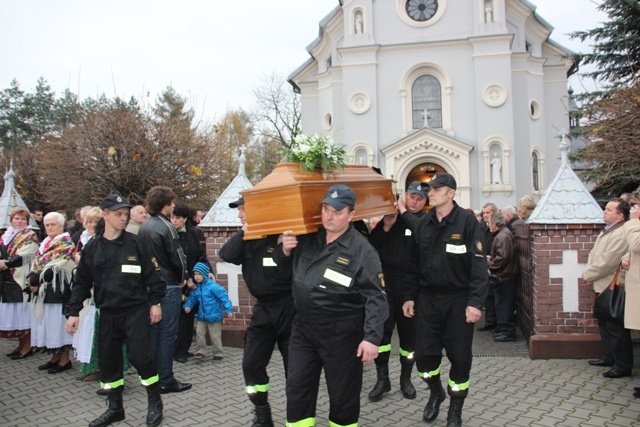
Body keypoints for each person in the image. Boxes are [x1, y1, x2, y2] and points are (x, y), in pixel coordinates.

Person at [277, 183, 388, 427]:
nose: (329, 216)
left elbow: (376, 297)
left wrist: (371, 338)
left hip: (342, 332)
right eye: (326, 209)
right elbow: (284, 275)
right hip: (304, 329)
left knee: (342, 395)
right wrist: (284, 252)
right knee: (297, 389)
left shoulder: (362, 251)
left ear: (351, 215)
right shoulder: (307, 238)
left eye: (337, 212)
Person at [66, 194, 165, 427]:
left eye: (125, 214)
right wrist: (73, 312)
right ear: (105, 215)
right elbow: (81, 282)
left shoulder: (136, 243)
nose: (123, 218)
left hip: (135, 310)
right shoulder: (93, 247)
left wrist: (156, 302)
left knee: (140, 356)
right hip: (107, 312)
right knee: (108, 361)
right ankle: (115, 408)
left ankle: (155, 402)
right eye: (118, 214)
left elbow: (153, 275)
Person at [402, 173, 488, 427]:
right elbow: (412, 264)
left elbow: (478, 265)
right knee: (425, 357)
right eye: (432, 188)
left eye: (437, 189)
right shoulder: (424, 223)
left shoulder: (466, 222)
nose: (432, 192)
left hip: (458, 300)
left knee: (460, 357)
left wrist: (476, 302)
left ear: (451, 193)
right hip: (428, 299)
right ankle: (436, 392)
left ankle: (455, 410)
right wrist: (409, 296)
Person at [219, 196, 295, 427]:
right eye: (239, 211)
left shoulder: (283, 236)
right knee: (251, 364)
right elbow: (225, 255)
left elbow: (285, 273)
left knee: (295, 369)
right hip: (263, 310)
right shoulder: (247, 239)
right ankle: (262, 414)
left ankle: (297, 415)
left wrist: (284, 252)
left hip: (290, 309)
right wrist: (244, 232)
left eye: (243, 210)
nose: (240, 215)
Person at [367, 181, 428, 402]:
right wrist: (385, 226)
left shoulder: (424, 221)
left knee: (408, 338)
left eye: (420, 198)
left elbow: (423, 240)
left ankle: (406, 379)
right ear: (405, 195)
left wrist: (403, 213)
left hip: (410, 289)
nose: (415, 201)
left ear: (424, 201)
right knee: (382, 335)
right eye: (412, 196)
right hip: (386, 286)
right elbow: (371, 245)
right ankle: (382, 379)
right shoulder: (390, 217)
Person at [139, 186, 190, 394]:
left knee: (154, 334)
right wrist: (182, 278)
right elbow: (178, 258)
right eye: (172, 202)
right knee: (168, 334)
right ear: (165, 204)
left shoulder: (144, 227)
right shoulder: (166, 227)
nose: (174, 206)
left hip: (149, 286)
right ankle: (166, 380)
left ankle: (153, 377)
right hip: (168, 285)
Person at [583, 198, 632, 378]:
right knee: (604, 323)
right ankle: (609, 357)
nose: (605, 211)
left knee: (616, 327)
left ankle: (622, 365)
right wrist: (591, 271)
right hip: (601, 284)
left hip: (613, 284)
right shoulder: (607, 231)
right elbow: (594, 254)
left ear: (620, 215)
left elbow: (609, 261)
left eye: (609, 210)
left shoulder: (621, 234)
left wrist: (589, 274)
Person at [27, 212, 76, 374]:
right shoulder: (46, 243)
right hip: (44, 291)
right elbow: (37, 263)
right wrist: (31, 278)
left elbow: (56, 266)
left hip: (57, 291)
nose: (49, 227)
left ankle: (64, 360)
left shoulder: (65, 243)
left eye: (52, 224)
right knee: (49, 325)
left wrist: (35, 279)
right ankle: (55, 357)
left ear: (61, 226)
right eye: (47, 225)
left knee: (57, 325)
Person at [0, 208, 39, 360]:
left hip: (20, 278)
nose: (19, 221)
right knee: (15, 315)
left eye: (23, 219)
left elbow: (24, 257)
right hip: (7, 279)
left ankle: (27, 347)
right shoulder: (6, 235)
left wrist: (6, 263)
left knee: (23, 314)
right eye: (17, 218)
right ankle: (20, 345)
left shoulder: (30, 236)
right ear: (11, 220)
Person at [71, 206, 104, 382]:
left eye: (95, 222)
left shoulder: (101, 240)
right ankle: (86, 364)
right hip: (85, 290)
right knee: (85, 328)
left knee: (96, 329)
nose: (92, 225)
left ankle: (98, 367)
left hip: (97, 290)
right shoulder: (81, 238)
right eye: (89, 222)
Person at [171, 204, 206, 363]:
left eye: (177, 218)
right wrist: (184, 278)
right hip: (177, 282)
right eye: (172, 217)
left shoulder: (191, 233)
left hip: (191, 283)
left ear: (185, 219)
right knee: (177, 318)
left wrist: (205, 272)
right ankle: (176, 351)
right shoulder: (170, 234)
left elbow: (199, 254)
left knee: (188, 317)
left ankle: (183, 349)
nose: (174, 221)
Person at [183, 262, 233, 360]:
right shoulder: (197, 288)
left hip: (214, 316)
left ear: (205, 274)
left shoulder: (213, 287)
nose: (196, 277)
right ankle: (200, 351)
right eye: (195, 274)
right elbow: (192, 299)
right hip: (202, 316)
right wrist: (188, 306)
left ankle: (218, 353)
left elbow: (224, 298)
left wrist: (228, 310)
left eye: (199, 274)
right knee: (199, 333)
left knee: (215, 335)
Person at [488, 213, 519, 342]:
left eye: (490, 223)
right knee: (502, 304)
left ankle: (507, 331)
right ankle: (504, 329)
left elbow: (503, 257)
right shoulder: (503, 234)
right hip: (505, 275)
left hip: (505, 276)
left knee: (504, 305)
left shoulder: (503, 236)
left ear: (495, 224)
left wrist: (491, 266)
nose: (489, 226)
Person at [622, 202, 640, 398]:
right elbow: (634, 249)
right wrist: (627, 259)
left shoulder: (635, 224)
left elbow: (637, 243)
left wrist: (634, 222)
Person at [477, 202, 497, 332]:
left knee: (495, 295)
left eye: (488, 213)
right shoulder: (480, 227)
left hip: (494, 263)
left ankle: (496, 322)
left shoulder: (498, 227)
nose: (485, 215)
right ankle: (489, 321)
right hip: (483, 262)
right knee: (487, 295)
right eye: (483, 213)